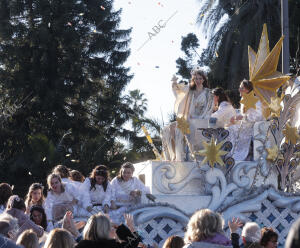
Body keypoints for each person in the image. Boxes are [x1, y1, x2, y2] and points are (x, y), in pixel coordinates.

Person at [161, 69, 214, 161]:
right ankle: (176, 155)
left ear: (204, 79)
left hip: (202, 120)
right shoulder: (190, 90)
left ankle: (182, 155)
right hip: (188, 118)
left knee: (178, 129)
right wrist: (174, 83)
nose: (198, 81)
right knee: (168, 129)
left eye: (200, 78)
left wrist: (199, 118)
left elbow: (209, 109)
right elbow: (179, 93)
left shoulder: (208, 93)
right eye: (196, 78)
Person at [226, 79, 264, 161]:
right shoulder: (244, 100)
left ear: (248, 90)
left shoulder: (256, 100)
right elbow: (243, 114)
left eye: (242, 88)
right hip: (244, 124)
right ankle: (229, 153)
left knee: (231, 129)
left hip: (252, 127)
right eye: (240, 88)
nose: (240, 90)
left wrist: (241, 118)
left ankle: (236, 155)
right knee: (227, 127)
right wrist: (235, 118)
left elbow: (258, 116)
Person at [75, 213, 140, 248]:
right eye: (109, 227)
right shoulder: (112, 246)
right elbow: (133, 243)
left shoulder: (81, 245)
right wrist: (131, 227)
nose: (112, 229)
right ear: (105, 230)